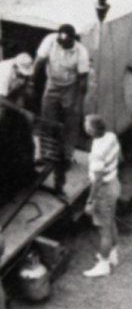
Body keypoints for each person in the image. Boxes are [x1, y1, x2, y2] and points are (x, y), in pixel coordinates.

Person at [34, 24, 92, 194]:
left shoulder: (81, 52)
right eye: (60, 42)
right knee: (46, 118)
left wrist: (79, 101)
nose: (62, 45)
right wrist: (31, 82)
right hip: (52, 84)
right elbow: (39, 62)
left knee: (71, 120)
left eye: (66, 44)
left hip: (71, 87)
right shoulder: (50, 41)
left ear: (73, 40)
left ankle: (67, 156)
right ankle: (45, 154)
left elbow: (83, 80)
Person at [81, 114, 120, 278]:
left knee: (104, 230)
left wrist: (90, 201)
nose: (84, 125)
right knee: (111, 221)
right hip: (114, 184)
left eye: (86, 124)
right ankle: (112, 253)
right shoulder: (111, 137)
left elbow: (97, 180)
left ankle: (104, 264)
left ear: (91, 131)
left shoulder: (97, 152)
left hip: (103, 191)